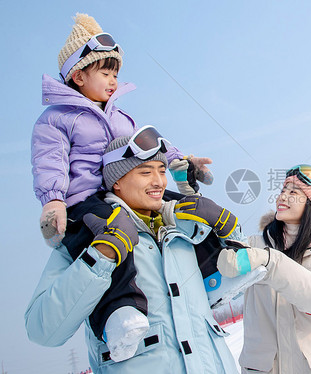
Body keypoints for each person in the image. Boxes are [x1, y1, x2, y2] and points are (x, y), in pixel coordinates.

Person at [30, 13, 211, 361]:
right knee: (114, 238)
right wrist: (53, 201)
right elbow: (49, 161)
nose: (114, 80)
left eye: (116, 73)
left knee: (186, 210)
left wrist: (179, 161)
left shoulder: (121, 117)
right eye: (105, 73)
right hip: (85, 202)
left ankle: (218, 264)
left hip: (122, 194)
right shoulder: (56, 119)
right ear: (78, 75)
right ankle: (119, 314)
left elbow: (147, 147)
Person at [25, 136, 240, 373]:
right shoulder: (86, 234)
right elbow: (43, 330)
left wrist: (226, 229)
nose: (159, 182)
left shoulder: (183, 226)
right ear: (116, 180)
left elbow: (231, 284)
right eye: (145, 173)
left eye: (161, 170)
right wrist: (102, 254)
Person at [217, 164, 311, 374]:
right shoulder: (254, 246)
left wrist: (271, 262)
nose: (283, 196)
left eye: (294, 192)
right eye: (283, 190)